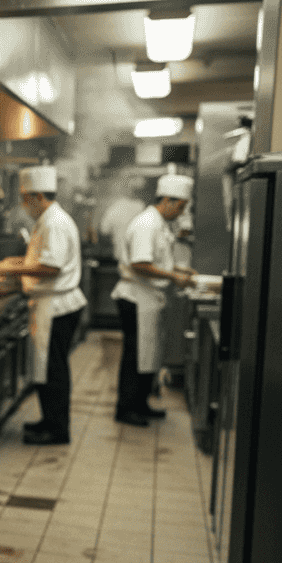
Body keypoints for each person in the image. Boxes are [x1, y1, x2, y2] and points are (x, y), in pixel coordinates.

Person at [0, 166, 87, 445]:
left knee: (53, 369)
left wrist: (11, 270)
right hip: (54, 304)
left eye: (25, 199)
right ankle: (49, 421)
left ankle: (57, 430)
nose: (24, 205)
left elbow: (51, 268)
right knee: (48, 368)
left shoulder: (53, 222)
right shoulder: (50, 219)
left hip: (57, 306)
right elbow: (43, 259)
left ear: (37, 196)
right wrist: (18, 263)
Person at [111, 173, 196, 426]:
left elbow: (157, 261)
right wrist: (173, 276)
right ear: (167, 200)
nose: (181, 213)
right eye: (180, 207)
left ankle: (140, 404)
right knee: (136, 355)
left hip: (148, 297)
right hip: (135, 298)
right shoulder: (147, 224)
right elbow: (140, 264)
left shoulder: (159, 224)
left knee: (147, 354)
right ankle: (126, 409)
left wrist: (179, 270)